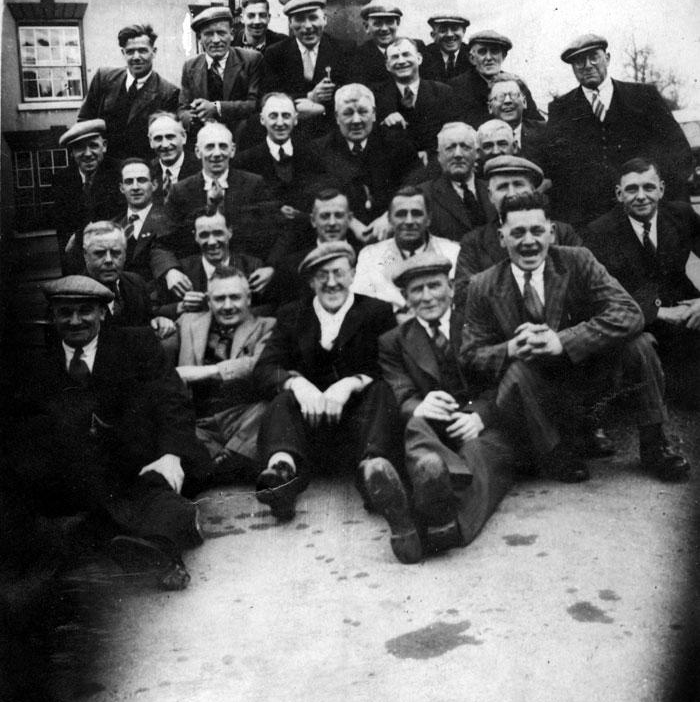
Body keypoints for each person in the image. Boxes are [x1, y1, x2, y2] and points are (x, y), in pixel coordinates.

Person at [461, 191, 690, 483]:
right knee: (518, 371)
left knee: (640, 344)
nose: (528, 241)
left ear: (552, 233)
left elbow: (629, 313)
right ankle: (556, 453)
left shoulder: (577, 260)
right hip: (534, 393)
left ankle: (655, 444)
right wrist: (512, 347)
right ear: (501, 237)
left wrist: (563, 341)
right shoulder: (482, 285)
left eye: (537, 230)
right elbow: (469, 354)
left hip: (587, 379)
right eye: (517, 232)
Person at [7, 276, 210, 590]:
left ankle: (153, 546)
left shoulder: (137, 344)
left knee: (159, 493)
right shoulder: (39, 368)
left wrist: (172, 455)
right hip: (80, 477)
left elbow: (173, 400)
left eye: (85, 311)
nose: (75, 321)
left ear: (103, 312)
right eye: (64, 312)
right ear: (53, 316)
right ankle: (141, 540)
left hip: (142, 463)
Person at [377, 254, 515, 563]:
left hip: (480, 426)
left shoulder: (479, 324)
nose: (427, 297)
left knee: (479, 453)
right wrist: (420, 404)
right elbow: (400, 392)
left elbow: (505, 379)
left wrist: (480, 415)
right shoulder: (393, 341)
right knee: (415, 424)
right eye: (417, 290)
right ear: (405, 297)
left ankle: (422, 527)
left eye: (434, 286)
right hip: (434, 430)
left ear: (451, 287)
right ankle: (436, 482)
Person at [252, 242, 401, 523]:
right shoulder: (292, 315)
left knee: (380, 391)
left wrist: (352, 383)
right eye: (322, 275)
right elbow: (264, 369)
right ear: (310, 281)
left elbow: (390, 366)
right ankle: (281, 476)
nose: (331, 283)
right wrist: (297, 384)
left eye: (338, 273)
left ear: (353, 274)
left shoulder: (376, 312)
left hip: (359, 430)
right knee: (283, 398)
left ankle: (374, 474)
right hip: (309, 432)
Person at [535, 33, 693, 229]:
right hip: (593, 222)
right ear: (573, 68)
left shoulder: (644, 96)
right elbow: (556, 169)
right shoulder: (561, 109)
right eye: (578, 61)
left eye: (594, 57)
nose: (587, 65)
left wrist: (663, 201)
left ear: (607, 59)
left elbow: (678, 151)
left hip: (648, 212)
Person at [585, 158, 700, 409]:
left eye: (648, 187)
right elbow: (601, 298)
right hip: (639, 323)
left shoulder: (681, 214)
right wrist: (658, 312)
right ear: (619, 194)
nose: (641, 196)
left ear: (661, 189)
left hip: (687, 313)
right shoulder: (599, 232)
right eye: (631, 189)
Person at [176, 266, 274, 481]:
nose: (228, 306)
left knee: (269, 409)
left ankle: (223, 460)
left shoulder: (267, 326)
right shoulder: (189, 322)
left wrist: (204, 372)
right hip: (199, 422)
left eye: (235, 298)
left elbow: (259, 364)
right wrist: (160, 321)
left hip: (243, 417)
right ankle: (228, 460)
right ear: (209, 302)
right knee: (175, 430)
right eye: (219, 299)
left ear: (248, 299)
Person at [454, 155, 581, 307]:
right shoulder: (474, 242)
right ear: (490, 195)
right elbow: (465, 296)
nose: (511, 193)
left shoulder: (562, 233)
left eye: (518, 185)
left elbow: (581, 282)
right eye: (503, 187)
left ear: (533, 191)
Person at [309, 83, 422, 240]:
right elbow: (316, 194)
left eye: (363, 112)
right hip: (341, 237)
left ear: (374, 113)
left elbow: (415, 182)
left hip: (393, 233)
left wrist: (390, 217)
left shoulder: (397, 143)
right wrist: (350, 223)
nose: (356, 120)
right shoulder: (319, 150)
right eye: (348, 113)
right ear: (336, 117)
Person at [163, 121, 278, 266]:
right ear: (198, 151)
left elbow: (271, 233)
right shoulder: (180, 191)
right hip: (197, 273)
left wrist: (269, 268)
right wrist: (171, 270)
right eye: (210, 147)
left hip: (245, 269)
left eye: (223, 146)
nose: (217, 154)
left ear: (233, 150)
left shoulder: (254, 185)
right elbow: (167, 241)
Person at [77, 24, 179, 163]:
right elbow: (84, 121)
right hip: (103, 167)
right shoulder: (104, 78)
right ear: (123, 53)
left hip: (141, 171)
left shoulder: (168, 92)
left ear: (153, 52)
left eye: (143, 50)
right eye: (130, 51)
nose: (136, 57)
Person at [353, 187, 460, 314]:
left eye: (416, 213)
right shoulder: (370, 256)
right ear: (389, 220)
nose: (409, 221)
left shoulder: (452, 252)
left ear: (429, 219)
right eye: (401, 214)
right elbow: (364, 309)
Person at [261, 0, 354, 139]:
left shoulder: (344, 50)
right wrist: (310, 96)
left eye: (313, 18)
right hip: (289, 130)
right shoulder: (276, 53)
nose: (308, 26)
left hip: (331, 129)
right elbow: (268, 96)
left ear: (324, 19)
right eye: (299, 19)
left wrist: (321, 108)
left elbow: (353, 92)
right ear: (291, 24)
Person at [157, 207, 263, 320]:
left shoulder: (252, 266)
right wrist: (181, 306)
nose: (212, 242)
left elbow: (268, 307)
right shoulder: (182, 270)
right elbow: (153, 309)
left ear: (230, 232)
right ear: (195, 236)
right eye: (204, 235)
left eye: (218, 233)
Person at [264, 187, 361, 309]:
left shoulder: (366, 260)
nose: (332, 223)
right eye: (325, 216)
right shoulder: (291, 266)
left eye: (338, 215)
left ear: (349, 219)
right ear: (313, 220)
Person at [177, 6, 262, 140]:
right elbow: (182, 110)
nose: (216, 40)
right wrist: (194, 116)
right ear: (200, 38)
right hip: (205, 141)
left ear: (232, 34)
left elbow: (255, 104)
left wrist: (216, 108)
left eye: (221, 33)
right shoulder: (190, 66)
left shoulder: (251, 60)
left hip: (243, 140)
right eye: (208, 34)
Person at [232, 92, 325, 213]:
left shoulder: (312, 155)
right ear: (262, 120)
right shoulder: (245, 161)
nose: (280, 123)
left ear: (295, 119)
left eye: (286, 116)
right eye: (273, 116)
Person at [82, 221, 175, 340]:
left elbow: (147, 319)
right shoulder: (76, 292)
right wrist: (148, 332)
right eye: (100, 253)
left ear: (125, 255)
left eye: (116, 253)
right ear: (86, 255)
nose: (109, 260)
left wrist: (158, 321)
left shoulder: (136, 282)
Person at [51, 119, 122, 273]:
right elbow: (63, 236)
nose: (88, 154)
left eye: (93, 145)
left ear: (105, 146)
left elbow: (113, 217)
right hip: (78, 264)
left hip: (112, 260)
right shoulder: (62, 180)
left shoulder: (119, 173)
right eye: (80, 148)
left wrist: (79, 236)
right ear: (71, 152)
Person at [373, 37, 459, 160]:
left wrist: (429, 153)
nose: (401, 61)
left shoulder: (442, 92)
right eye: (395, 57)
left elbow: (453, 133)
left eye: (406, 55)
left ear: (419, 58)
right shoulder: (376, 95)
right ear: (387, 65)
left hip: (435, 164)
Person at [449, 30, 539, 128]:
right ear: (472, 58)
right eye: (482, 52)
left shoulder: (516, 84)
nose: (488, 58)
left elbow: (536, 123)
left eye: (494, 51)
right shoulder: (457, 87)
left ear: (503, 56)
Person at [417, 122, 491, 242]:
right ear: (439, 156)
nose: (458, 154)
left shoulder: (492, 189)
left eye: (465, 147)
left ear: (476, 154)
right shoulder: (423, 195)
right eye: (450, 148)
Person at [114, 157, 181, 288]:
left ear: (155, 185)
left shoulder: (170, 221)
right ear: (122, 188)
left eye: (141, 180)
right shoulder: (114, 225)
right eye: (129, 182)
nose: (135, 187)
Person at [486, 72, 545, 158]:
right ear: (490, 107)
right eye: (500, 96)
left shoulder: (544, 132)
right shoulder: (482, 139)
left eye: (514, 95)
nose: (507, 101)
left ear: (524, 102)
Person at [349, 2, 405, 87]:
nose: (384, 29)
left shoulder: (415, 48)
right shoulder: (357, 56)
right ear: (366, 27)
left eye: (389, 22)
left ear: (397, 23)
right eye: (377, 23)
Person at [148, 112, 200, 202]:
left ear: (183, 137)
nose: (165, 145)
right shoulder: (146, 172)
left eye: (170, 137)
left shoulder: (201, 169)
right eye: (158, 138)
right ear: (151, 142)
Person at [420, 13, 471, 83]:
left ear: (464, 31)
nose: (449, 34)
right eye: (443, 30)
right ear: (433, 35)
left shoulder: (472, 55)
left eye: (455, 29)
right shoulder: (424, 58)